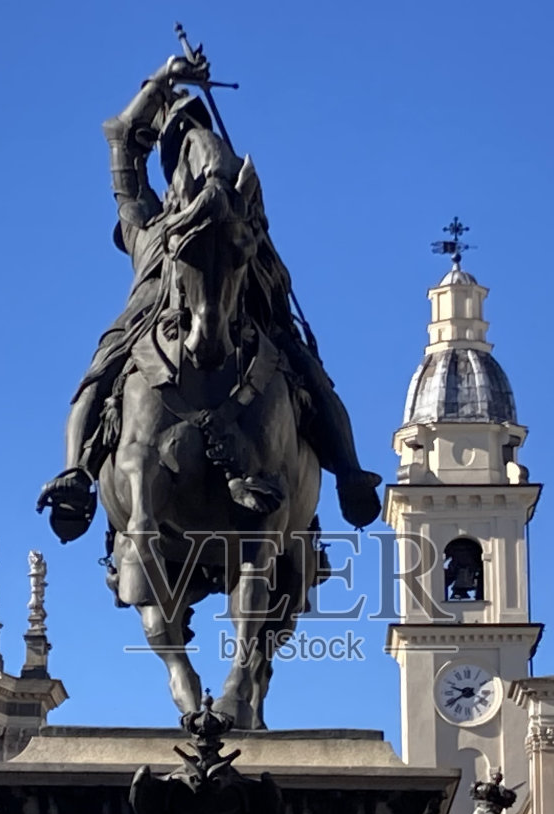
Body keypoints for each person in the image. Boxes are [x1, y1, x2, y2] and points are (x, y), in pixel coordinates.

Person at [36, 52, 380, 542]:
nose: (186, 149)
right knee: (102, 368)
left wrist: (244, 222)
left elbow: (259, 253)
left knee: (307, 369)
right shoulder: (147, 222)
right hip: (153, 312)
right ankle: (76, 474)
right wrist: (163, 80)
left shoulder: (240, 204)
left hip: (243, 303)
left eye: (189, 138)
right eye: (175, 141)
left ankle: (349, 472)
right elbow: (121, 138)